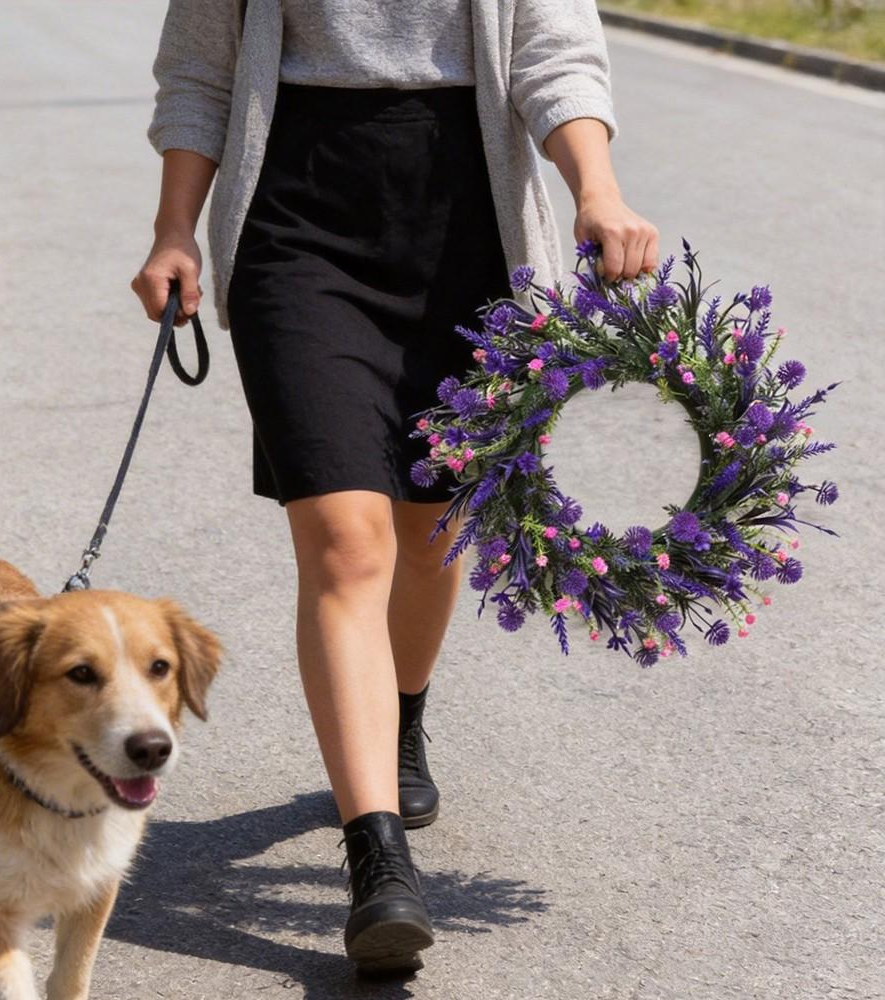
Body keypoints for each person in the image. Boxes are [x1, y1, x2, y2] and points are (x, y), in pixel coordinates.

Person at [132, 0, 658, 976]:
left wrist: (596, 188)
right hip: (298, 220)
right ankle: (376, 855)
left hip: (470, 225)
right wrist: (175, 231)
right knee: (345, 542)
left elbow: (555, 54)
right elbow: (200, 71)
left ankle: (402, 713)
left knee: (429, 536)